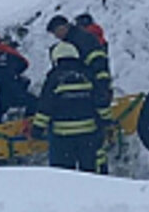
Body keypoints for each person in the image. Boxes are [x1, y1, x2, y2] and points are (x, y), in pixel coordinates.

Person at [31, 41, 103, 172]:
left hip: (63, 137)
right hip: (88, 135)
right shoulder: (88, 75)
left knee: (64, 175)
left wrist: (37, 128)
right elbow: (100, 101)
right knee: (89, 173)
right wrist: (106, 121)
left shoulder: (54, 77)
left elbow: (45, 106)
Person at [46, 15, 112, 122]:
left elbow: (99, 63)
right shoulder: (73, 40)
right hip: (86, 86)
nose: (57, 36)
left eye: (57, 31)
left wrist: (102, 85)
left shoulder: (83, 39)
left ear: (64, 27)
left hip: (91, 85)